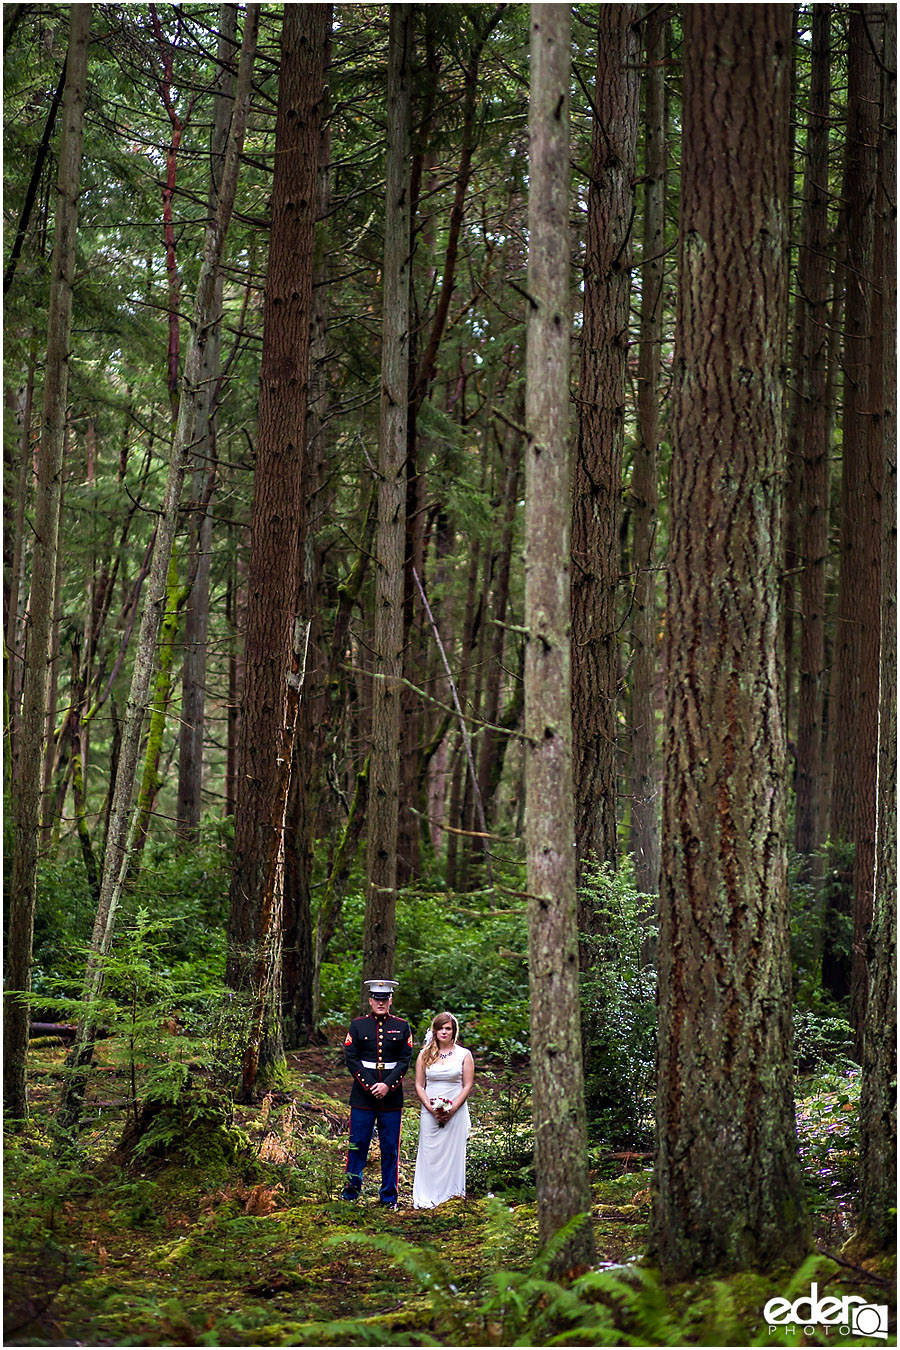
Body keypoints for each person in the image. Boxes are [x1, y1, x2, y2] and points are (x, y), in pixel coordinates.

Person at [341, 978, 413, 1207]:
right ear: (370, 1000)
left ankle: (389, 1197)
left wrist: (388, 1085)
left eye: (385, 999)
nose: (380, 1003)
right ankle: (351, 1193)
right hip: (363, 1095)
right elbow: (351, 1059)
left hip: (391, 1096)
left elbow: (404, 1061)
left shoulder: (402, 1026)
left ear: (390, 1000)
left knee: (390, 1148)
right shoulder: (357, 1025)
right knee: (357, 1145)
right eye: (376, 999)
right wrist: (371, 1085)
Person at [412, 1011, 474, 1208]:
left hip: (456, 1110)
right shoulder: (425, 1055)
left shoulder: (464, 1054)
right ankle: (426, 1196)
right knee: (430, 1152)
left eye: (448, 1028)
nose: (444, 1032)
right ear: (435, 1030)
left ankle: (451, 1196)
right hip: (430, 1109)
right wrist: (431, 1108)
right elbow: (419, 1085)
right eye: (441, 1028)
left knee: (453, 1154)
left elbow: (467, 1085)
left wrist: (452, 1108)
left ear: (453, 1031)